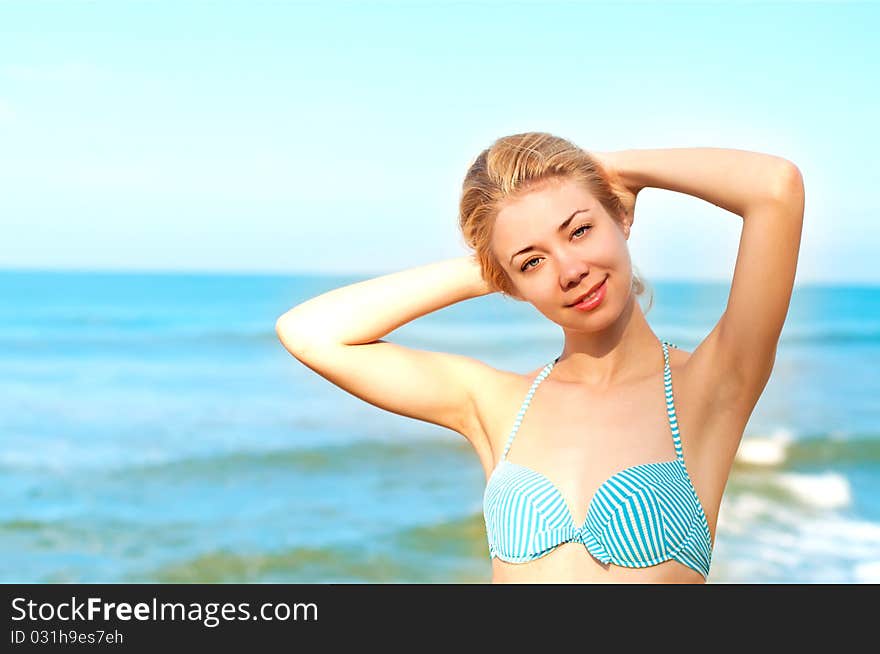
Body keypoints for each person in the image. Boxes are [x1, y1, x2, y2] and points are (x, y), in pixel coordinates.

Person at [275, 132, 805, 583]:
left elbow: (775, 189)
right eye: (534, 263)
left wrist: (616, 172)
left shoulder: (710, 386)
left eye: (579, 230)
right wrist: (497, 263)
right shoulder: (496, 402)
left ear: (620, 217)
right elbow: (310, 333)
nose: (569, 270)